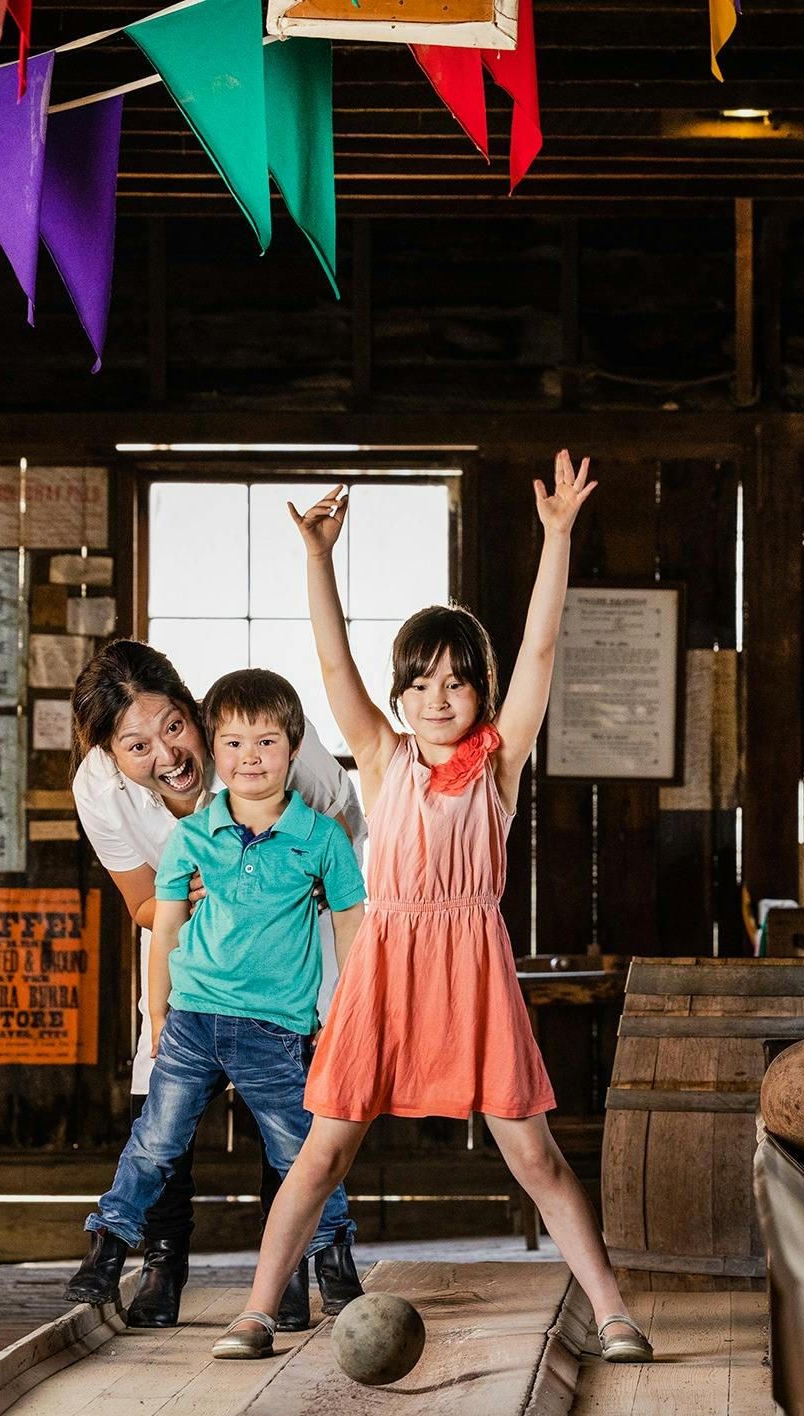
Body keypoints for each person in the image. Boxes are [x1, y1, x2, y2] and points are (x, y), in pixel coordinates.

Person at [211, 453, 651, 1364]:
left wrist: (558, 538)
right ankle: (256, 1311)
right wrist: (318, 558)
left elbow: (539, 649)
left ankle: (612, 1312)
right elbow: (332, 665)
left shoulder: (499, 762)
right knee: (323, 1153)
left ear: (480, 692)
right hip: (387, 965)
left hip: (473, 965)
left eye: (456, 681)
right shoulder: (380, 756)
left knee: (534, 1158)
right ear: (401, 694)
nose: (436, 698)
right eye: (419, 682)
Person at [69, 641, 366, 1327]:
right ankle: (162, 1264)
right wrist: (202, 897)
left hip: (293, 941)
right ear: (112, 755)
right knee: (158, 1112)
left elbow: (341, 852)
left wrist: (273, 902)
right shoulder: (100, 789)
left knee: (293, 1119)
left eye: (173, 726)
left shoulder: (267, 743)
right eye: (136, 746)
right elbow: (146, 908)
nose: (167, 755)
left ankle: (290, 1268)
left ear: (194, 713)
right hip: (192, 960)